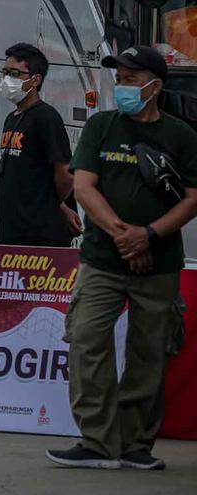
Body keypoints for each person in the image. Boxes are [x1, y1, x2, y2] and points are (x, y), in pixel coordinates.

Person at [47, 45, 197, 471]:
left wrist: (149, 235)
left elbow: (192, 198)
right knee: (86, 340)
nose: (122, 87)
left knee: (150, 353)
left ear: (155, 86)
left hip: (160, 264)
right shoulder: (101, 128)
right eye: (121, 79)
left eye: (131, 80)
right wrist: (123, 236)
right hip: (102, 260)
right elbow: (84, 189)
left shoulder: (181, 136)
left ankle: (135, 445)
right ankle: (96, 441)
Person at [0, 43, 81, 247]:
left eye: (15, 73)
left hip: (38, 236)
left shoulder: (46, 118)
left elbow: (65, 174)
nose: (8, 79)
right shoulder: (12, 118)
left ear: (36, 79)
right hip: (10, 230)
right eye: (5, 72)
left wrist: (51, 204)